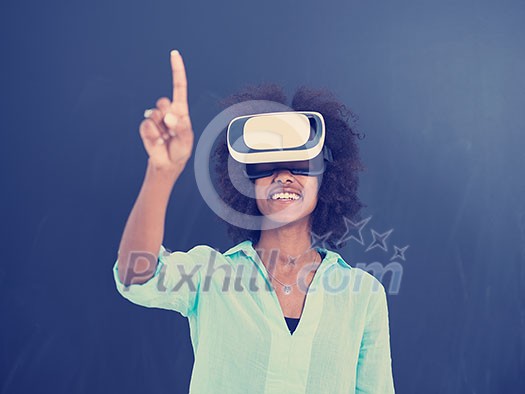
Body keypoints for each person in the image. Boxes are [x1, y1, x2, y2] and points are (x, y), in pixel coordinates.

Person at [113, 50, 395, 393]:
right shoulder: (208, 275)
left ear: (326, 178)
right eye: (266, 165)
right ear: (247, 182)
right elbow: (136, 275)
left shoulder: (363, 296)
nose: (284, 176)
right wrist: (161, 172)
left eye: (301, 163)